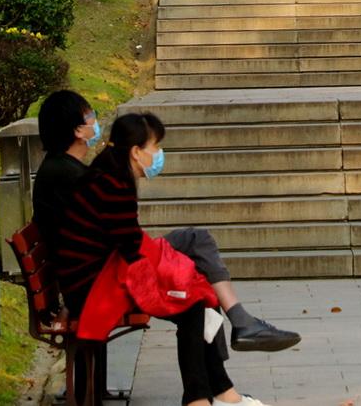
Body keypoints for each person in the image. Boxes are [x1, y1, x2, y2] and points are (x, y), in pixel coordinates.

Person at [34, 91, 299, 353]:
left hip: (98, 270)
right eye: (90, 116)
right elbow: (102, 239)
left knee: (195, 259)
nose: (95, 121)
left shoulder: (64, 170)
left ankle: (239, 335)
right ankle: (237, 338)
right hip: (104, 276)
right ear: (78, 130)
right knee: (196, 249)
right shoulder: (72, 176)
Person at [53, 113, 270, 406]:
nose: (158, 154)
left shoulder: (107, 176)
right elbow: (131, 249)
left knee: (197, 290)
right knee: (194, 301)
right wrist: (175, 274)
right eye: (155, 147)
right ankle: (202, 397)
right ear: (136, 152)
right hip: (96, 288)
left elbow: (129, 244)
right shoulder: (113, 186)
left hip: (96, 277)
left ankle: (218, 392)